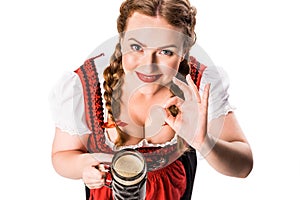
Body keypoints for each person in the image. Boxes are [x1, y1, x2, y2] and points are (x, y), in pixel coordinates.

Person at [49, 0, 253, 199]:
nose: (149, 65)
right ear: (121, 40)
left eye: (166, 51)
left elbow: (243, 167)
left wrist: (204, 142)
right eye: (137, 47)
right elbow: (62, 155)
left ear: (184, 51)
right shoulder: (85, 85)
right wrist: (84, 165)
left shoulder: (200, 86)